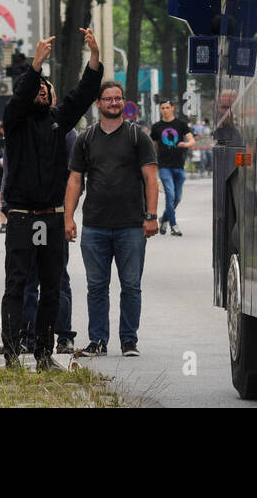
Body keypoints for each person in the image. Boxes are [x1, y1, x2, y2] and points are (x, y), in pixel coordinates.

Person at [1, 28, 102, 370]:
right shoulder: (15, 122)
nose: (42, 92)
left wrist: (94, 60)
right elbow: (19, 98)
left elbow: (84, 94)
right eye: (37, 88)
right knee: (16, 284)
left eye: (47, 89)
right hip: (21, 216)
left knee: (52, 287)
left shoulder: (60, 121)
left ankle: (45, 354)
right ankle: (13, 354)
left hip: (52, 217)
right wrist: (36, 67)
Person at [66, 80, 158, 356]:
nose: (113, 103)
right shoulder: (86, 138)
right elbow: (74, 181)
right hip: (95, 226)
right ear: (98, 103)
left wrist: (151, 216)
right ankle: (98, 341)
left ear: (123, 102)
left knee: (130, 286)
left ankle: (129, 340)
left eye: (118, 98)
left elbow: (151, 178)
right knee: (96, 287)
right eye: (108, 99)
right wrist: (68, 218)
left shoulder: (136, 136)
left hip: (131, 226)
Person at [149, 99, 194, 236]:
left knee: (177, 198)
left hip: (179, 165)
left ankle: (164, 219)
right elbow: (152, 145)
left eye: (167, 107)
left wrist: (185, 144)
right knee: (170, 194)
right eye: (162, 108)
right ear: (160, 109)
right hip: (164, 166)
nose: (165, 110)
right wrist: (151, 162)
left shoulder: (181, 124)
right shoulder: (157, 127)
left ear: (172, 108)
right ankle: (173, 225)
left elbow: (191, 140)